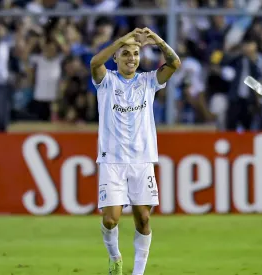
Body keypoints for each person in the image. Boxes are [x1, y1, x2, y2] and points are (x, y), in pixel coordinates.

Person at [90, 27, 181, 275]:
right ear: (116, 57)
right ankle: (115, 258)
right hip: (113, 161)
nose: (131, 58)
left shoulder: (148, 81)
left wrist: (158, 41)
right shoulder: (106, 81)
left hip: (142, 161)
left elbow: (174, 63)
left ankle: (138, 273)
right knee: (111, 220)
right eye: (126, 53)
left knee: (143, 220)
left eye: (135, 54)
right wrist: (121, 40)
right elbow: (95, 61)